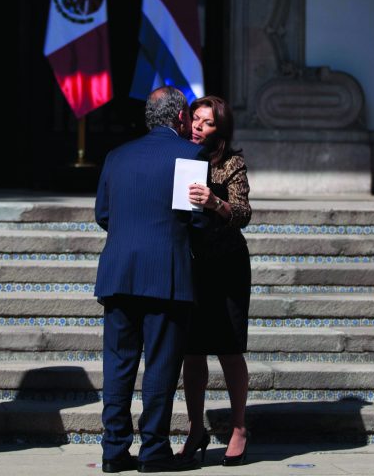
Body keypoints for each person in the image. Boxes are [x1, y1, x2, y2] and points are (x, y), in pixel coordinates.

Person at [94, 86, 206, 473]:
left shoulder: (116, 156)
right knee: (160, 365)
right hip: (166, 275)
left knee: (118, 365)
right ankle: (154, 449)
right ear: (180, 119)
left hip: (119, 272)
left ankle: (113, 451)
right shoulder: (191, 154)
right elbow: (195, 216)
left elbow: (103, 215)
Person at [181, 96, 252, 466]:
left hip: (226, 265)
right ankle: (196, 427)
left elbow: (243, 213)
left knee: (228, 348)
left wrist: (215, 203)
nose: (197, 126)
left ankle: (239, 426)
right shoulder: (178, 156)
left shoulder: (231, 164)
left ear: (219, 129)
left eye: (206, 122)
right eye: (195, 118)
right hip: (190, 264)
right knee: (191, 352)